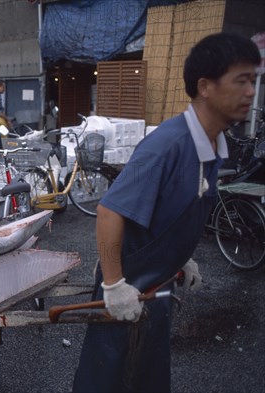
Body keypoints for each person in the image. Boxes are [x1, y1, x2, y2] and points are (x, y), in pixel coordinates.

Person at [72, 32, 260, 392]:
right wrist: (113, 285)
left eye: (253, 80)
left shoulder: (213, 145)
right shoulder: (168, 145)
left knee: (147, 378)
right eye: (241, 81)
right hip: (127, 289)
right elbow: (110, 210)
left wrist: (180, 258)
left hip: (156, 290)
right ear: (205, 86)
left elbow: (177, 209)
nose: (251, 91)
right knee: (109, 378)